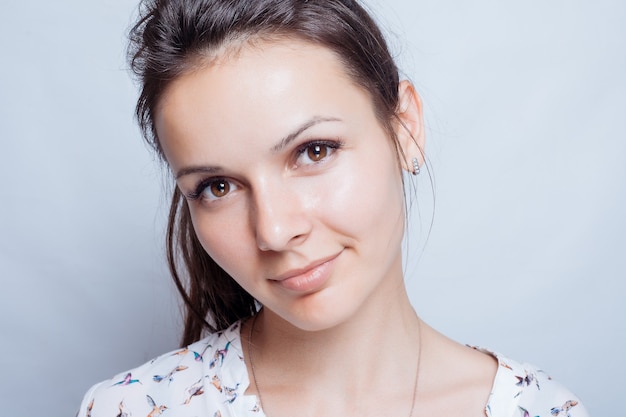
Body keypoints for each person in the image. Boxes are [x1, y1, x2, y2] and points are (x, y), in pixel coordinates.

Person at [78, 1, 589, 416]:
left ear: (405, 128)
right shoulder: (132, 407)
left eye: (313, 151)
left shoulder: (543, 409)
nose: (274, 231)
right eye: (217, 187)